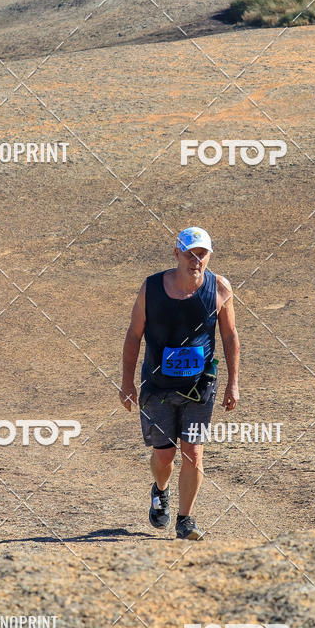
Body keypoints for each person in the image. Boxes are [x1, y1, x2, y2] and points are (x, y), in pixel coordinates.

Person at [120, 227, 240, 539]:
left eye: (202, 254)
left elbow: (229, 336)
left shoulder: (220, 289)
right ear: (177, 254)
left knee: (194, 453)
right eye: (189, 253)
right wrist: (127, 383)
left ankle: (186, 520)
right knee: (164, 456)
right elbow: (134, 335)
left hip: (200, 388)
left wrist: (233, 383)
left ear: (209, 256)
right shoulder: (152, 288)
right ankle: (160, 490)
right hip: (157, 387)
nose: (195, 259)